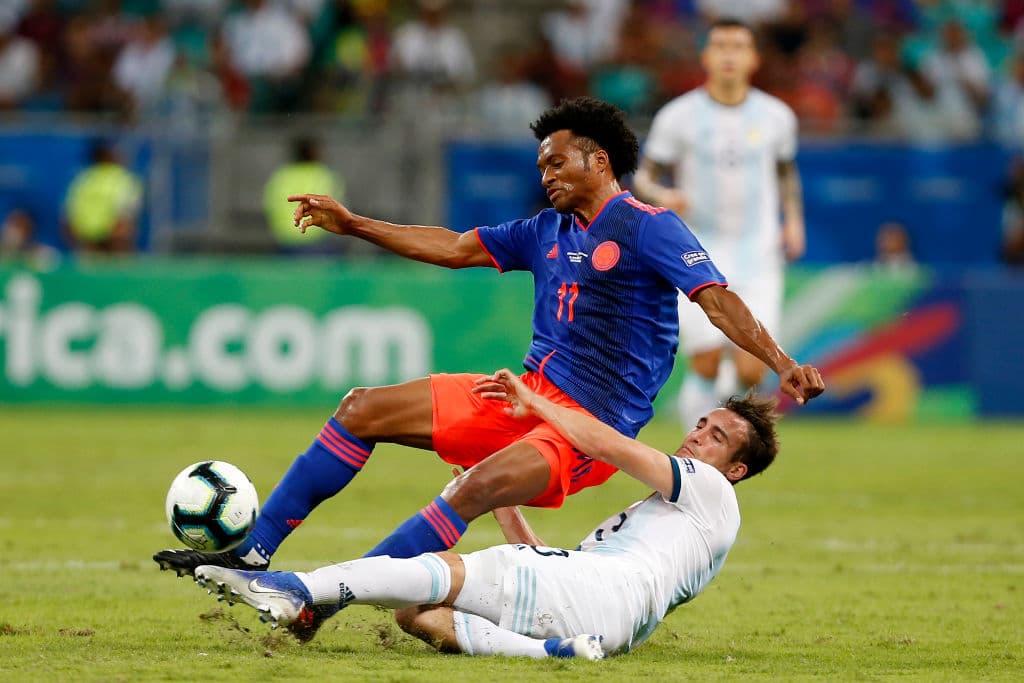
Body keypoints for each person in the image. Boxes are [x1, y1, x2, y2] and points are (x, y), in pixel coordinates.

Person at [155, 96, 824, 640]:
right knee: (361, 408)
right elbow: (451, 246)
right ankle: (253, 553)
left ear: (599, 159)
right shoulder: (544, 231)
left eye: (558, 162)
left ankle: (316, 600)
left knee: (475, 488)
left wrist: (782, 361)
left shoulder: (647, 226)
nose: (547, 175)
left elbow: (717, 299)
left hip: (586, 427)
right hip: (521, 393)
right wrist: (354, 223)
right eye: (542, 166)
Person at [191, 369, 781, 659]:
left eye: (717, 437)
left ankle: (297, 589)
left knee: (441, 570)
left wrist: (537, 404)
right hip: (607, 615)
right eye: (702, 424)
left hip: (602, 594)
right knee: (415, 614)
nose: (698, 436)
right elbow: (559, 566)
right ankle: (549, 653)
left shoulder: (710, 491)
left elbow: (610, 446)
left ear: (736, 470)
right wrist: (503, 505)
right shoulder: (680, 520)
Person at [633, 18, 806, 431]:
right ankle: (700, 453)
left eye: (738, 46)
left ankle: (717, 428)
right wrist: (662, 196)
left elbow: (785, 171)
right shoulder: (678, 116)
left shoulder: (776, 116)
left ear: (753, 58)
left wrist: (793, 220)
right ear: (706, 57)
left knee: (751, 371)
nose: (729, 54)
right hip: (698, 249)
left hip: (758, 250)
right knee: (707, 361)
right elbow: (643, 177)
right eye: (721, 46)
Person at [62, 141, 143, 253]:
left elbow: (68, 211)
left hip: (92, 235)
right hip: (98, 235)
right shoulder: (122, 177)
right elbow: (129, 210)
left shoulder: (83, 178)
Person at [262, 137, 340, 251]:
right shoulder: (323, 175)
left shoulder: (281, 175)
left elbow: (269, 205)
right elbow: (336, 209)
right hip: (315, 239)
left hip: (284, 237)